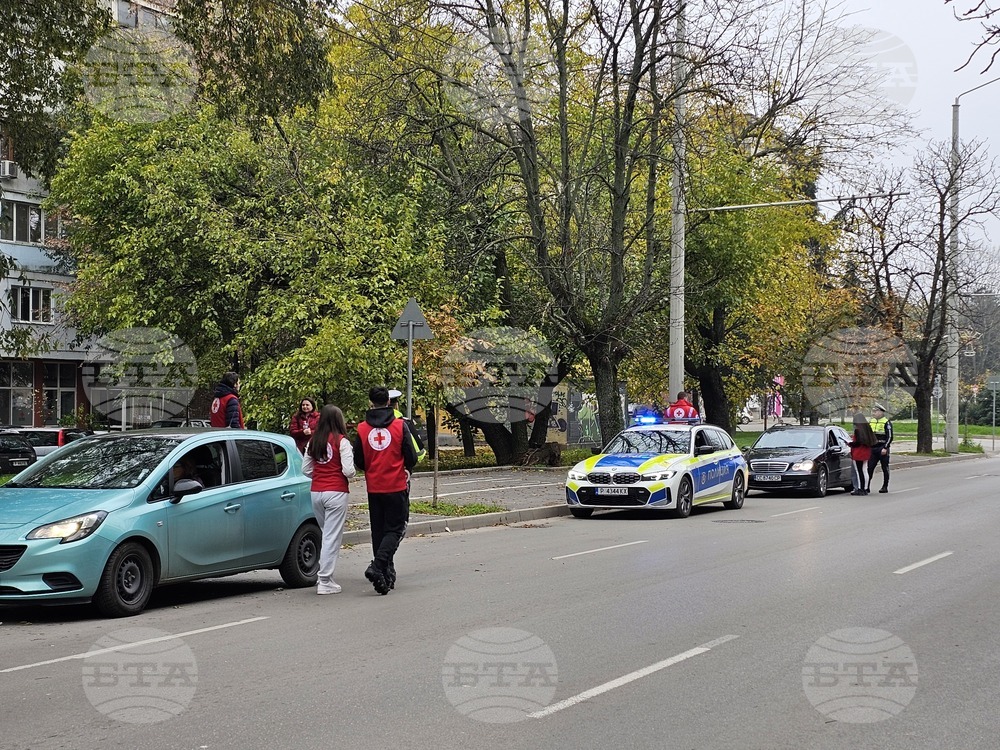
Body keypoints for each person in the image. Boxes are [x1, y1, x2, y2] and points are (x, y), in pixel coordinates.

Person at [353, 386, 418, 595]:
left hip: (374, 486)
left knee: (378, 531)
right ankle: (379, 566)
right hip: (396, 485)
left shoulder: (362, 429)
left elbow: (358, 460)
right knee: (396, 528)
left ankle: (385, 576)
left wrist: (373, 468)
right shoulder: (400, 426)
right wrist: (404, 468)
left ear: (371, 402)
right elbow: (412, 455)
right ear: (389, 402)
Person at [302, 405, 356, 595]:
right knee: (332, 537)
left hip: (316, 492)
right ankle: (324, 580)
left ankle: (327, 578)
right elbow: (348, 471)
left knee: (326, 534)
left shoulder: (313, 441)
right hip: (336, 492)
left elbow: (306, 470)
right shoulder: (342, 442)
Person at [388, 388, 427, 462]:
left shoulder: (370, 424)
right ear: (396, 405)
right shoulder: (404, 423)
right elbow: (419, 453)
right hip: (399, 467)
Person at [868, 403, 894, 493]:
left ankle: (885, 486)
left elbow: (890, 437)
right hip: (873, 448)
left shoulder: (886, 422)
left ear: (881, 412)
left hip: (882, 448)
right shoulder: (871, 421)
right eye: (873, 411)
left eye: (875, 411)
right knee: (869, 468)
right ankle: (867, 486)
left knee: (884, 467)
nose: (873, 413)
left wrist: (885, 448)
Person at [848, 411, 876, 495]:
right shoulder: (867, 429)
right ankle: (865, 488)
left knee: (858, 471)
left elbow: (857, 443)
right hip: (866, 451)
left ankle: (860, 489)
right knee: (864, 470)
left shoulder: (858, 430)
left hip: (858, 453)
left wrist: (849, 443)